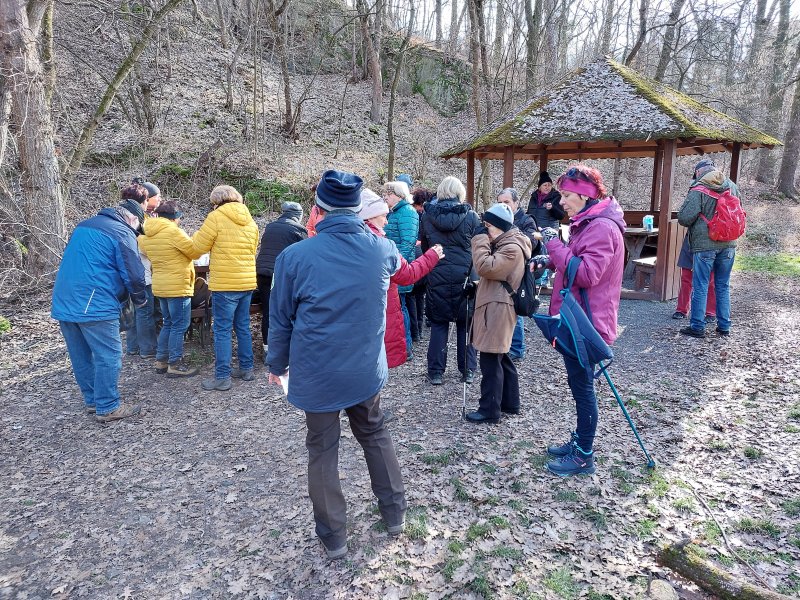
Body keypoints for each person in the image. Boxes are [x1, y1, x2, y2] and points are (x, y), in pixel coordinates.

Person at [266, 170, 407, 560]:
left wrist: (276, 362)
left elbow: (280, 319)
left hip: (319, 371)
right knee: (375, 434)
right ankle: (394, 513)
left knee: (323, 449)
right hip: (364, 367)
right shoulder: (382, 248)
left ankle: (334, 537)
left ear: (318, 209)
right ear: (357, 207)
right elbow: (399, 267)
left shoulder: (295, 257)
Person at [532, 164, 625, 476]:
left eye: (568, 196)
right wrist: (549, 258)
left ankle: (585, 454)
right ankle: (580, 443)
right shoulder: (588, 223)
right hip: (577, 318)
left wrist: (553, 244)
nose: (562, 202)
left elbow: (586, 274)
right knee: (578, 385)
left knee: (583, 389)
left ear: (585, 197)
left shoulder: (602, 228)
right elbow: (576, 261)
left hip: (589, 324)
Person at [51, 184, 149, 422]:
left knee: (81, 355)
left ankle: (93, 401)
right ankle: (108, 406)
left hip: (64, 301)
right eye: (138, 228)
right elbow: (134, 274)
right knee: (109, 355)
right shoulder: (121, 231)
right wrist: (140, 299)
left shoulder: (84, 226)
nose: (137, 233)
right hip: (94, 303)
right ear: (133, 218)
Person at [359, 189, 442, 368]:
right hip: (382, 306)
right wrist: (431, 256)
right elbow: (407, 274)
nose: (386, 221)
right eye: (383, 216)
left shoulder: (348, 242)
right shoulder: (382, 246)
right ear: (371, 217)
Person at [465, 203, 531, 424]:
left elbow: (486, 267)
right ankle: (510, 403)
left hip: (499, 307)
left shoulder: (512, 247)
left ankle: (489, 410)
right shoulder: (506, 243)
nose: (486, 230)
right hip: (495, 304)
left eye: (488, 226)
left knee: (491, 359)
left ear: (499, 227)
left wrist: (479, 240)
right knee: (500, 357)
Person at [193, 185, 259, 391]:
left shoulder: (216, 218)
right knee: (242, 326)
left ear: (216, 201)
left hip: (226, 283)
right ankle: (246, 369)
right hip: (247, 282)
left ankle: (222, 377)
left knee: (222, 329)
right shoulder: (250, 220)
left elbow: (198, 248)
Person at [419, 176, 480, 385]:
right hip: (465, 273)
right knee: (466, 323)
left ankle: (436, 372)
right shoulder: (471, 216)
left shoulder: (426, 216)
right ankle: (468, 370)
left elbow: (426, 246)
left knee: (438, 323)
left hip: (438, 271)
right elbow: (478, 244)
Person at [138, 200, 202, 378]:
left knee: (168, 322)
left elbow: (142, 247)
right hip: (178, 285)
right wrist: (196, 236)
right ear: (176, 217)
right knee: (180, 324)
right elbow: (195, 252)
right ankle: (175, 364)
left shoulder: (148, 234)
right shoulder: (174, 232)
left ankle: (161, 361)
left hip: (160, 285)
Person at [677, 158, 739, 338]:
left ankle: (697, 326)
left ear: (698, 173)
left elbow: (684, 218)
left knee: (701, 284)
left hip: (705, 245)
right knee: (723, 285)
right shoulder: (732, 186)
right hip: (728, 244)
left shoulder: (698, 189)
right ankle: (724, 326)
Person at [255, 201, 308, 361]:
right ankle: (285, 349)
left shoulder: (271, 226)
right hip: (280, 275)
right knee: (285, 310)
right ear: (298, 215)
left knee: (268, 310)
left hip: (262, 273)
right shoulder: (298, 230)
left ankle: (267, 349)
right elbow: (305, 255)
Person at [497, 187, 542, 361]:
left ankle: (516, 348)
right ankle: (505, 344)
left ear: (516, 203)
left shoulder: (526, 219)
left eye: (506, 202)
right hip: (502, 270)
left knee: (516, 308)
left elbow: (531, 242)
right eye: (500, 203)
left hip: (520, 272)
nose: (503, 206)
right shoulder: (498, 219)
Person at [124, 178, 160, 358]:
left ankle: (133, 347)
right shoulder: (139, 220)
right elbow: (145, 247)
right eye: (156, 197)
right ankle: (147, 348)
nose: (159, 200)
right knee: (145, 311)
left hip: (130, 273)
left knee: (135, 311)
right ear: (146, 199)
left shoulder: (128, 217)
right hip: (142, 272)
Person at [383, 180, 419, 358]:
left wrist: (397, 265)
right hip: (393, 265)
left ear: (398, 195)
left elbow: (408, 242)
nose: (385, 197)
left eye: (388, 194)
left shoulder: (407, 212)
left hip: (399, 267)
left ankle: (406, 347)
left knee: (401, 306)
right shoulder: (395, 213)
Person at [672, 236, 716, 321]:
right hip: (692, 241)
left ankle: (711, 312)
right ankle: (682, 309)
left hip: (713, 243)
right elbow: (684, 221)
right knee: (686, 279)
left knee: (711, 281)